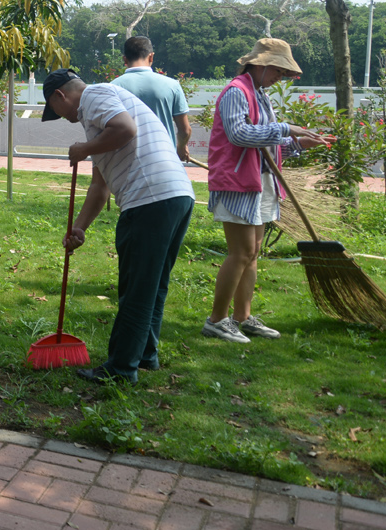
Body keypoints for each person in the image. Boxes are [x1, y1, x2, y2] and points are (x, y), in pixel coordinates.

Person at [44, 69, 198, 383]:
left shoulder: (95, 96)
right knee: (153, 285)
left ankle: (120, 369)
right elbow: (100, 187)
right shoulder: (99, 117)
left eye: (53, 110)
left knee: (137, 287)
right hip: (175, 196)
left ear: (60, 96)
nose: (59, 117)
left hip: (150, 200)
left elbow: (125, 129)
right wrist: (80, 228)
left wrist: (84, 149)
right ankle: (144, 356)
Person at [203, 38, 331, 344]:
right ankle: (217, 320)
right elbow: (239, 134)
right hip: (237, 183)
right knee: (241, 252)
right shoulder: (237, 90)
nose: (280, 78)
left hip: (260, 181)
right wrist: (287, 128)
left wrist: (298, 143)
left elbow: (264, 138)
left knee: (253, 253)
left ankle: (242, 317)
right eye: (278, 70)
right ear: (259, 64)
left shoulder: (258, 93)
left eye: (284, 74)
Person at [112, 36, 191, 162]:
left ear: (125, 59)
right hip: (163, 160)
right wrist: (181, 147)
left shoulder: (112, 87)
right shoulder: (172, 85)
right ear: (151, 57)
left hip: (125, 162)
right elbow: (185, 130)